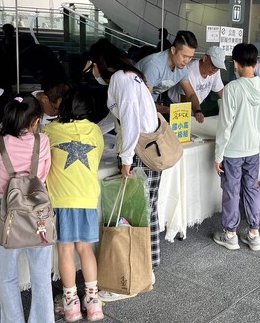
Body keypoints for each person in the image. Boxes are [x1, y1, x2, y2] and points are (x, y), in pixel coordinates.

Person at [88, 38, 162, 301]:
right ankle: (146, 270)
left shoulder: (121, 78)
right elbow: (115, 118)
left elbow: (129, 119)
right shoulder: (129, 76)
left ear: (101, 63)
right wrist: (89, 132)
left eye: (93, 66)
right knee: (145, 210)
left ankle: (141, 273)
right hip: (147, 149)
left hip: (140, 152)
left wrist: (127, 157)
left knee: (137, 212)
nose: (93, 72)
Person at [0, 95, 54, 323]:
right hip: (39, 215)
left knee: (8, 276)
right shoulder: (43, 141)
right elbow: (45, 173)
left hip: (7, 214)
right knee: (41, 276)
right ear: (34, 122)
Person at [43, 90, 105, 322]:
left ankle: (70, 304)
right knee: (85, 248)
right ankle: (93, 301)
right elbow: (96, 157)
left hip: (62, 199)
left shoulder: (50, 130)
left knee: (65, 249)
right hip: (87, 198)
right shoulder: (95, 130)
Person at [213, 43, 260, 251]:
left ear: (235, 63)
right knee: (252, 189)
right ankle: (254, 234)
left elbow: (225, 126)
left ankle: (230, 234)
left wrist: (218, 155)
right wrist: (251, 128)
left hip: (232, 152)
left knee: (231, 191)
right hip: (252, 150)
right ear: (256, 63)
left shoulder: (232, 89)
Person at [136, 30, 205, 123]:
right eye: (184, 56)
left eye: (190, 57)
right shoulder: (154, 66)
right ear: (173, 50)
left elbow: (191, 94)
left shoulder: (182, 68)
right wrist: (171, 110)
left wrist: (197, 110)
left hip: (148, 107)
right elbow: (144, 102)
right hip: (133, 104)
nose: (187, 61)